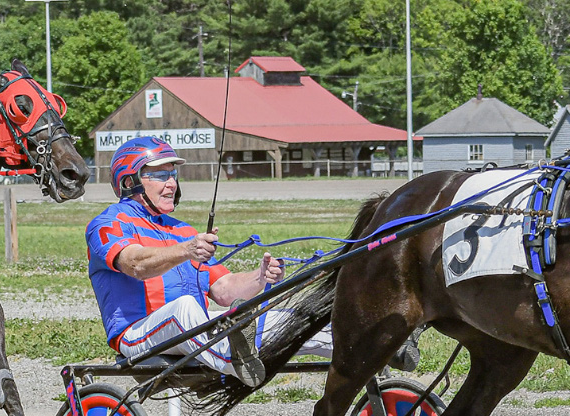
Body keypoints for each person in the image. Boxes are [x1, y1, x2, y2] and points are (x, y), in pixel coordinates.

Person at [86, 136, 416, 388]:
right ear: (129, 181)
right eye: (159, 174)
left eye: (172, 173)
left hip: (194, 331)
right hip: (137, 335)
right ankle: (237, 360)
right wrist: (185, 251)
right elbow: (135, 264)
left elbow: (226, 290)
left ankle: (381, 345)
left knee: (290, 319)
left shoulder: (182, 230)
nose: (172, 182)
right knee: (185, 308)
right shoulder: (107, 224)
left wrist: (261, 278)